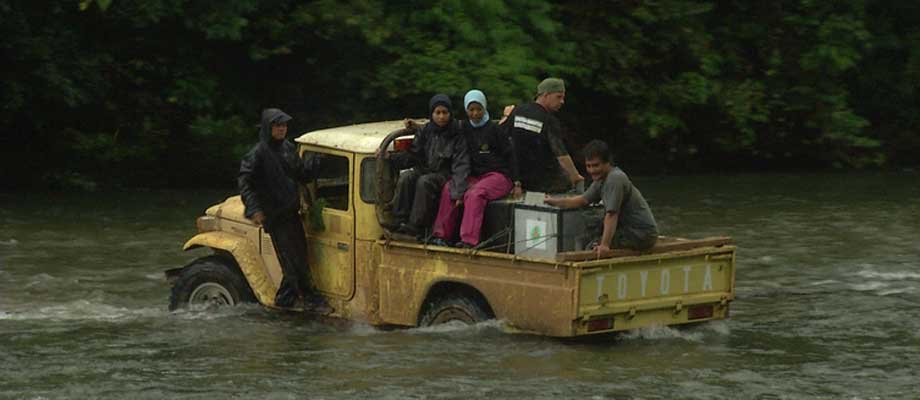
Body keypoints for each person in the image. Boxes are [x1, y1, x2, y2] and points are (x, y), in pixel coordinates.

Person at [238, 108, 332, 313]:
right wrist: (254, 209)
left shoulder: (287, 148)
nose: (282, 129)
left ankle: (285, 302)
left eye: (284, 125)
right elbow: (245, 183)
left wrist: (319, 159)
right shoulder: (258, 154)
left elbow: (303, 174)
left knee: (298, 257)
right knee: (292, 260)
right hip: (275, 214)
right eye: (277, 126)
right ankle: (307, 298)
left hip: (291, 212)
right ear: (268, 128)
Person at [430, 90, 514, 248]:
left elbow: (511, 156)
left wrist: (517, 182)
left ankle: (468, 240)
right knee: (450, 188)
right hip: (475, 176)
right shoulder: (463, 128)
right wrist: (415, 126)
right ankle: (441, 236)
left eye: (478, 109)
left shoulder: (495, 130)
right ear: (466, 110)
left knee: (474, 194)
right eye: (471, 109)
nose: (475, 113)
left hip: (498, 176)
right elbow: (438, 126)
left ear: (484, 108)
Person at [544, 140, 658, 254]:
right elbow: (582, 200)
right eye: (588, 166)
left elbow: (612, 214)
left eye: (596, 165)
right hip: (626, 229)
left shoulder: (615, 179)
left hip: (641, 233)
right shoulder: (601, 179)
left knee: (591, 246)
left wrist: (604, 245)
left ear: (607, 163)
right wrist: (553, 201)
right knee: (586, 235)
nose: (592, 170)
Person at [387, 94, 470, 237]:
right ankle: (399, 219)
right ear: (432, 114)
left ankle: (416, 225)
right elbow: (413, 155)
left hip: (445, 174)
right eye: (437, 113)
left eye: (445, 113)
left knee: (424, 182)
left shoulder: (457, 134)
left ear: (450, 114)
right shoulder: (425, 131)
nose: (441, 117)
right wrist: (390, 157)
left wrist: (458, 192)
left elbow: (461, 164)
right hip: (425, 169)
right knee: (407, 177)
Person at [501, 77, 584, 197]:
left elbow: (501, 135)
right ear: (545, 95)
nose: (562, 102)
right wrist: (575, 176)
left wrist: (505, 116)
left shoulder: (518, 111)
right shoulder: (549, 120)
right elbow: (561, 155)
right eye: (559, 97)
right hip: (543, 182)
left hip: (518, 178)